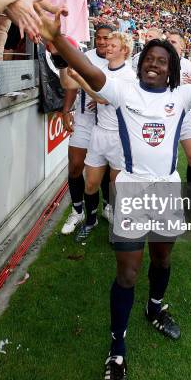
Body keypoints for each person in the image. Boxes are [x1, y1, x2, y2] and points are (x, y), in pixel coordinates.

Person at [38, 6, 191, 380]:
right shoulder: (123, 90)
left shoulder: (182, 96)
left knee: (163, 260)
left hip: (167, 189)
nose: (155, 65)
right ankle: (117, 349)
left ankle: (155, 307)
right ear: (140, 66)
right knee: (127, 272)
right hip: (134, 188)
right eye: (150, 60)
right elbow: (86, 67)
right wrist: (56, 37)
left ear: (171, 70)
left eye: (162, 61)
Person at [74, 32, 136, 239]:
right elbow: (100, 97)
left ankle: (117, 227)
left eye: (113, 45)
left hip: (120, 137)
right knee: (90, 183)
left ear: (124, 50)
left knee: (116, 187)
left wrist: (78, 80)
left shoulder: (129, 76)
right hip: (99, 133)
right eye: (107, 44)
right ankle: (90, 221)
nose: (107, 47)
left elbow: (102, 98)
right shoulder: (101, 70)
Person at [60, 25, 114, 235]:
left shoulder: (118, 60)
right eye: (98, 38)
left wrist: (104, 100)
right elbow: (72, 84)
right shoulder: (84, 57)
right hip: (84, 119)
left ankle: (107, 206)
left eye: (106, 38)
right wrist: (66, 110)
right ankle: (77, 210)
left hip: (108, 123)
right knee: (75, 166)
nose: (101, 42)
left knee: (107, 170)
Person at [166, 30, 191, 197]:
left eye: (173, 42)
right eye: (167, 41)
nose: (168, 44)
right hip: (164, 116)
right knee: (166, 159)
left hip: (185, 116)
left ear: (182, 46)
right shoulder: (160, 61)